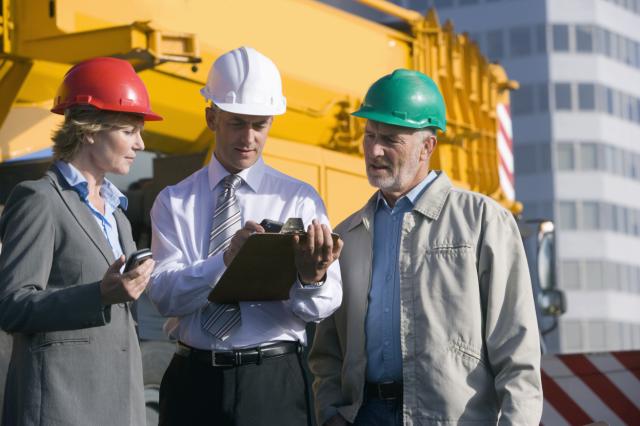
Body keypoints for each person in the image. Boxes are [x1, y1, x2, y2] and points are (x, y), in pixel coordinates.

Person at [308, 69, 543, 425]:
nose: (374, 149)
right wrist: (329, 413)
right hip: (367, 415)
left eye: (390, 138)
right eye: (369, 135)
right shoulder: (348, 235)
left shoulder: (482, 221)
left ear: (427, 147)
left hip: (453, 418)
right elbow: (326, 351)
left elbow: (517, 346)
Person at [148, 46, 343, 426]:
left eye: (260, 125)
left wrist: (311, 277)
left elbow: (324, 305)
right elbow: (164, 296)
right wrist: (224, 261)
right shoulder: (173, 201)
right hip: (194, 384)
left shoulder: (299, 198)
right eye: (237, 122)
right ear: (211, 117)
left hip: (273, 383)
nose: (249, 137)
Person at [0, 57, 159, 425]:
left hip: (121, 405)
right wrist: (98, 295)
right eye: (129, 131)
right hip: (62, 407)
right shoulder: (39, 199)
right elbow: (11, 306)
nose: (140, 143)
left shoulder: (117, 213)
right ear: (90, 129)